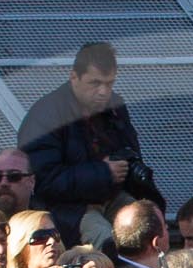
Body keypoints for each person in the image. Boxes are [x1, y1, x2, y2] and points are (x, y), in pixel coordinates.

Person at [17, 41, 156, 244]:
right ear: (74, 77)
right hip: (67, 208)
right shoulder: (46, 115)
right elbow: (43, 181)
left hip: (112, 196)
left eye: (109, 83)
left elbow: (131, 150)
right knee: (105, 239)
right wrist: (102, 172)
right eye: (95, 83)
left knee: (147, 227)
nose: (103, 91)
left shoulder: (114, 107)